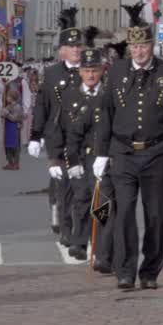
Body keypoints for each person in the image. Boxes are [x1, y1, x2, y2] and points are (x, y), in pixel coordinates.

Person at [93, 3, 163, 291]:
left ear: (152, 45)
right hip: (123, 152)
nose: (139, 52)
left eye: (144, 46)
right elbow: (106, 113)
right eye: (135, 47)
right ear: (130, 48)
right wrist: (101, 153)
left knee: (155, 214)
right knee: (123, 212)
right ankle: (125, 270)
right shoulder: (117, 72)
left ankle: (150, 271)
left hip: (155, 152)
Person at [47, 42, 112, 263]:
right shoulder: (70, 96)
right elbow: (59, 129)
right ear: (80, 71)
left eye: (95, 70)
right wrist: (57, 159)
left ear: (102, 71)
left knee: (102, 204)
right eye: (87, 70)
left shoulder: (111, 95)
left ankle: (101, 250)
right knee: (81, 200)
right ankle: (80, 241)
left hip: (104, 157)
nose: (91, 75)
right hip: (78, 157)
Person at [28, 10, 86, 240]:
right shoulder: (52, 74)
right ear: (62, 50)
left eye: (78, 46)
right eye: (71, 47)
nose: (75, 50)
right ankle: (66, 227)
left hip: (84, 137)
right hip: (58, 137)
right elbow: (43, 105)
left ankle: (89, 229)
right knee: (62, 184)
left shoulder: (90, 71)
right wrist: (36, 135)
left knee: (86, 187)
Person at [2, 84, 26, 170]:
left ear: (12, 98)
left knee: (15, 146)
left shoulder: (17, 107)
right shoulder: (8, 106)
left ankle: (16, 163)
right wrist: (3, 113)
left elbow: (14, 118)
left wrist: (6, 113)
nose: (7, 98)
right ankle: (10, 162)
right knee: (7, 145)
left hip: (15, 128)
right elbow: (3, 114)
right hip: (8, 128)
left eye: (8, 96)